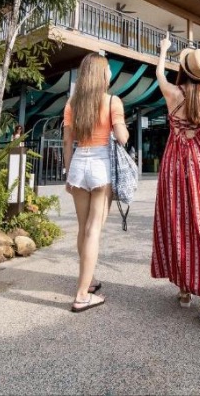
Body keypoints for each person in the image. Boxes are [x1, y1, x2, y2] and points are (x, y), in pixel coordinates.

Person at [151, 33, 200, 324]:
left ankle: (184, 290)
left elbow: (158, 71)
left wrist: (164, 50)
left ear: (183, 69)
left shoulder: (171, 93)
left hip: (172, 163)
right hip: (198, 164)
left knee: (177, 222)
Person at [63, 53, 129, 312]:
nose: (110, 74)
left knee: (83, 228)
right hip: (101, 165)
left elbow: (68, 142)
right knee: (94, 230)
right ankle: (81, 295)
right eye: (108, 70)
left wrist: (69, 175)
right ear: (102, 75)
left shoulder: (72, 104)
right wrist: (120, 124)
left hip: (79, 162)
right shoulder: (113, 101)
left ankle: (88, 281)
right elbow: (122, 138)